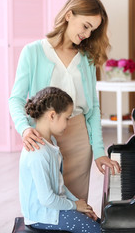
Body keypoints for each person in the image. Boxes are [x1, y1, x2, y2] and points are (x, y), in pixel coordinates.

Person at [9, 0, 120, 201]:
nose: (87, 34)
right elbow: (15, 99)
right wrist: (24, 129)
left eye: (93, 30)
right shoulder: (32, 52)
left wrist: (98, 151)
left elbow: (93, 108)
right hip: (43, 141)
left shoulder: (86, 59)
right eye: (86, 26)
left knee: (77, 206)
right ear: (69, 15)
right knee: (47, 205)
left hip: (79, 140)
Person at [20, 86, 100, 232]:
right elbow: (47, 199)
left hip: (54, 209)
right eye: (67, 118)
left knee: (101, 224)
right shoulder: (38, 152)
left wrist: (77, 202)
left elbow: (59, 185)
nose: (68, 123)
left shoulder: (51, 143)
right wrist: (75, 206)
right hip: (43, 216)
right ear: (52, 115)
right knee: (95, 230)